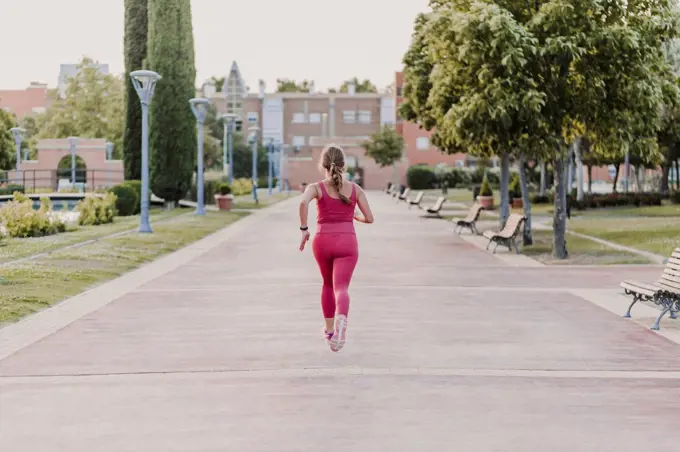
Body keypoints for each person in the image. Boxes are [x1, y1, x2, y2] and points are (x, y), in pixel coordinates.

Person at [298, 144, 374, 352]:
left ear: (323, 165)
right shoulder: (355, 189)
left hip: (322, 241)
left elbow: (303, 204)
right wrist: (354, 217)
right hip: (347, 241)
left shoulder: (316, 188)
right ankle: (342, 321)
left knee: (327, 284)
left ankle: (330, 331)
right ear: (343, 165)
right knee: (341, 287)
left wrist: (304, 229)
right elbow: (370, 218)